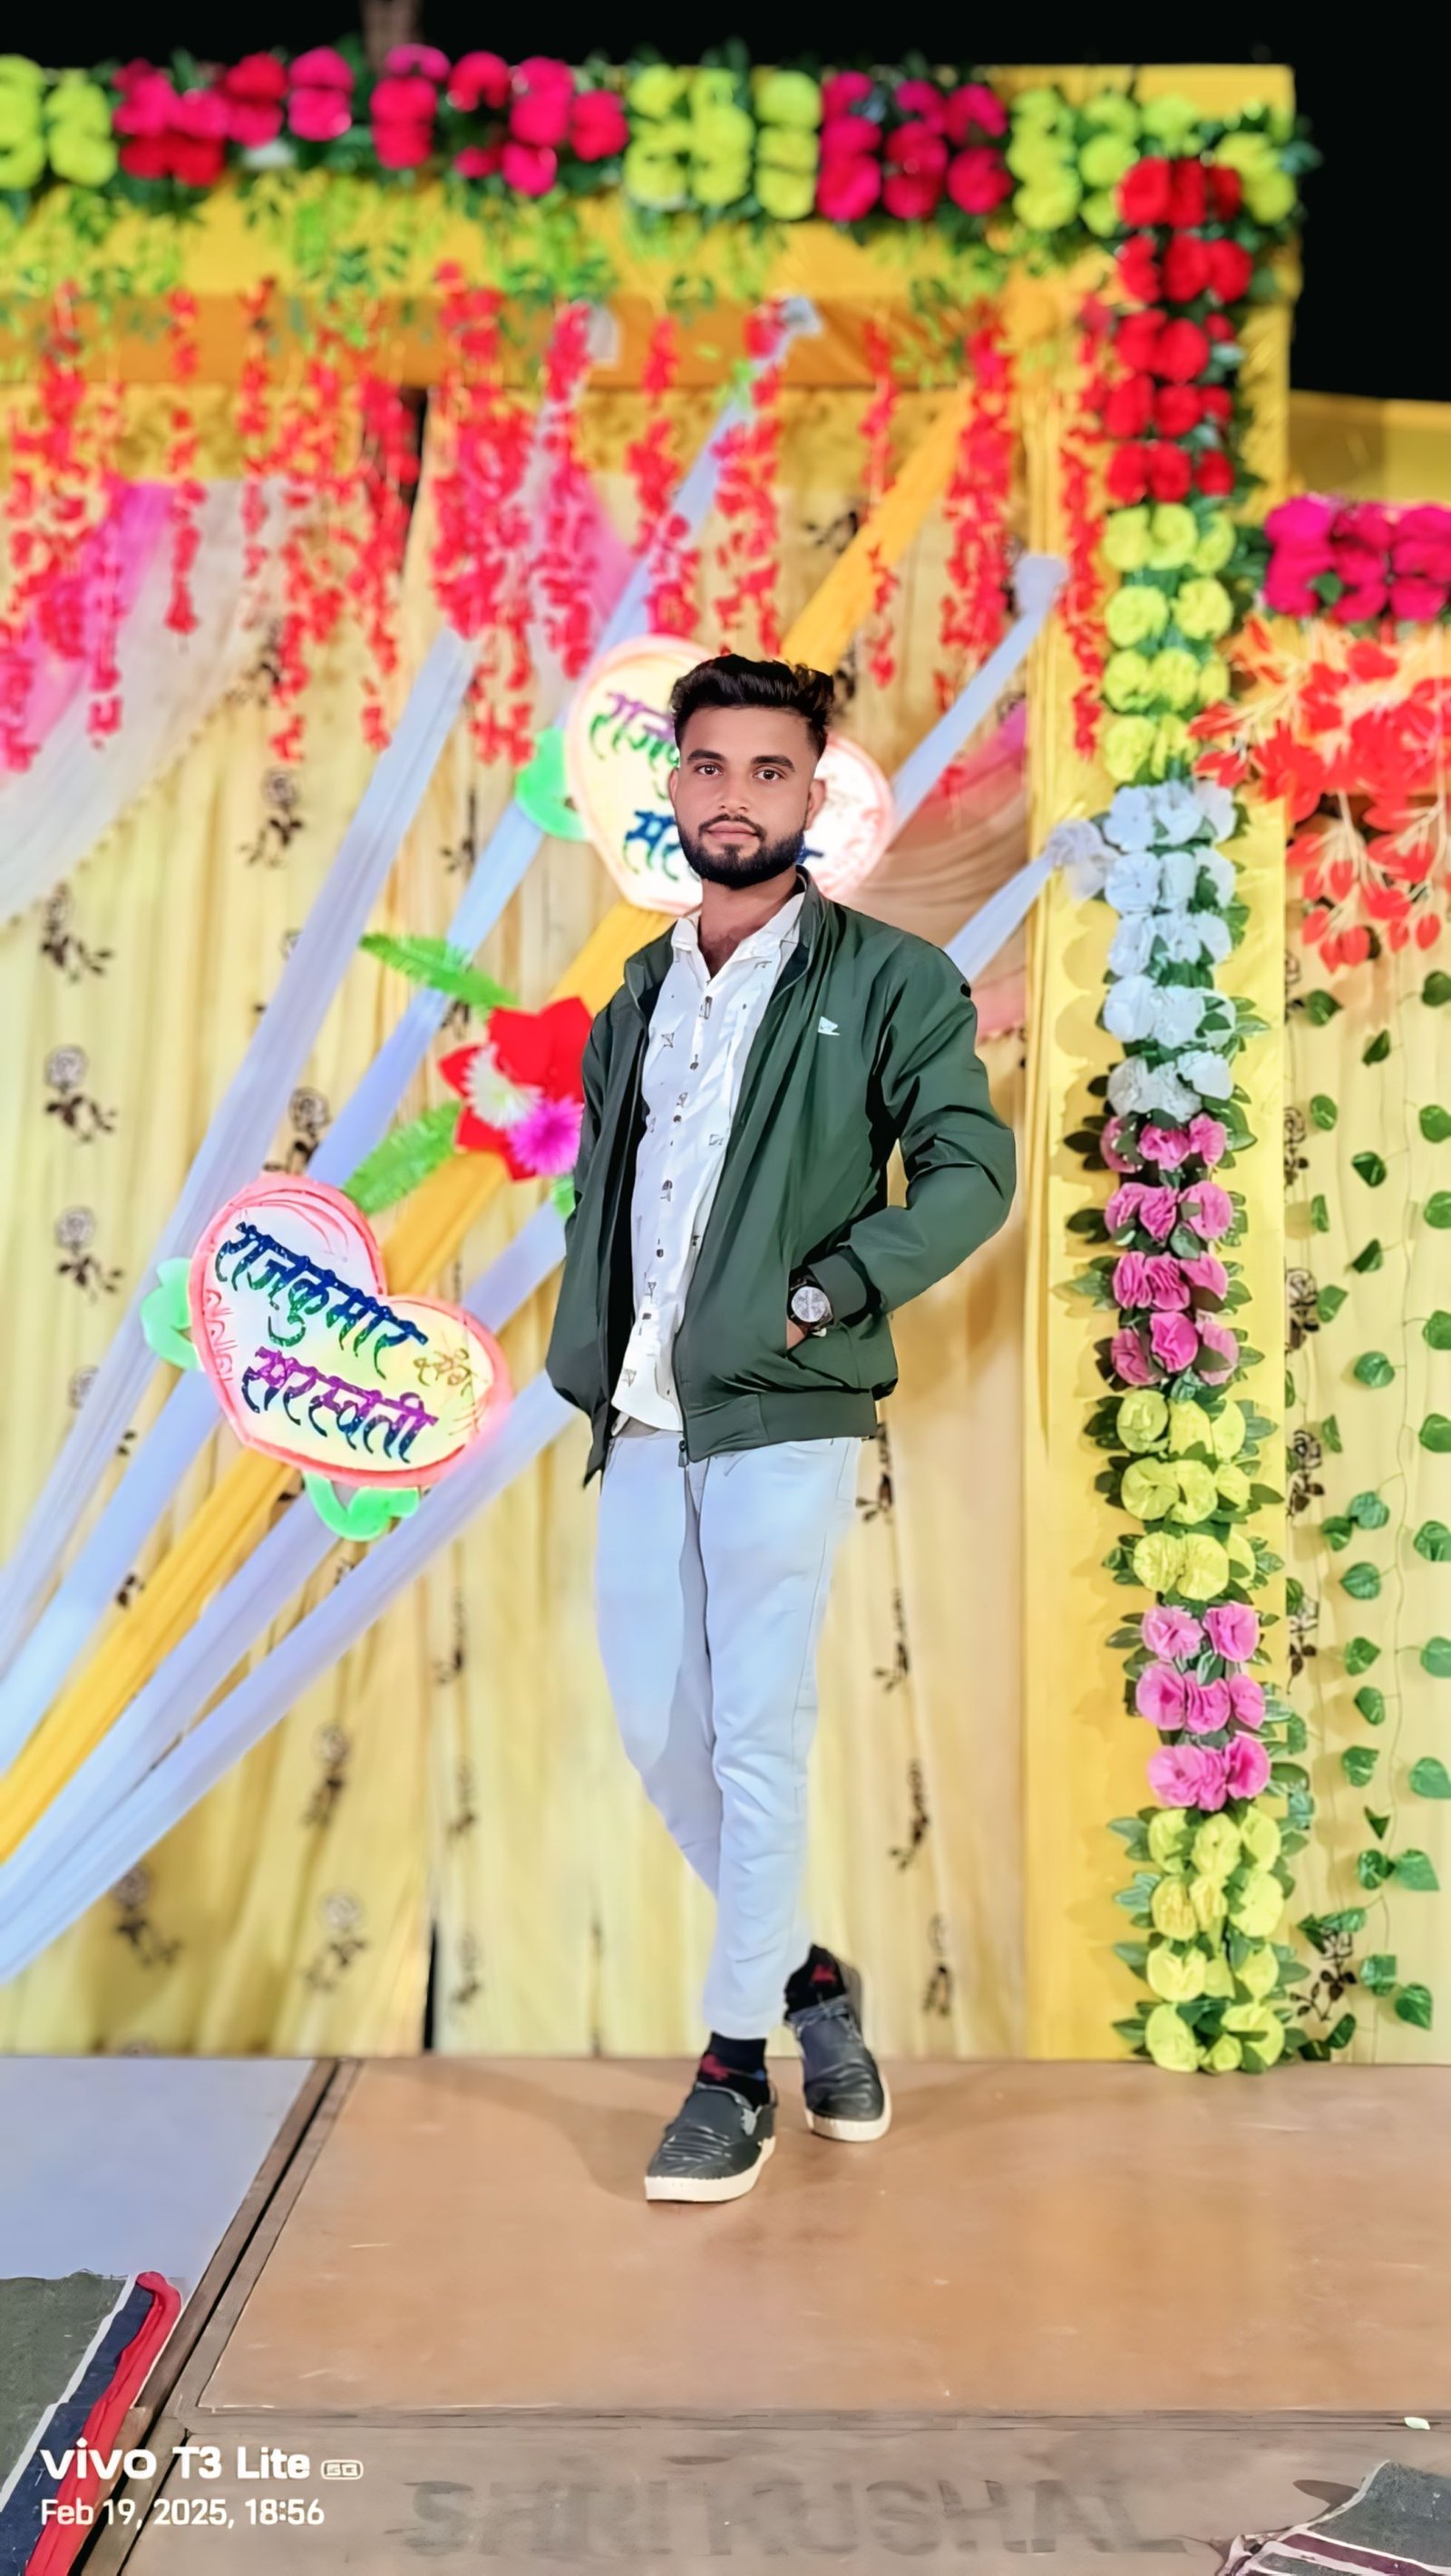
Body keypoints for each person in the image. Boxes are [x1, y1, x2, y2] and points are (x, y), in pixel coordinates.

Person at [547, 654, 1016, 2204]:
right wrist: (594, 1335)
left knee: (756, 1726)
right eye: (710, 767)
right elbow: (608, 1190)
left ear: (816, 791)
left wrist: (830, 1292)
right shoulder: (637, 991)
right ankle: (810, 1978)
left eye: (769, 770)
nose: (736, 797)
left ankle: (734, 2066)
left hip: (786, 1406)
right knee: (656, 1724)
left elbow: (971, 1171)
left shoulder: (887, 980)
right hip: (646, 1407)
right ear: (673, 783)